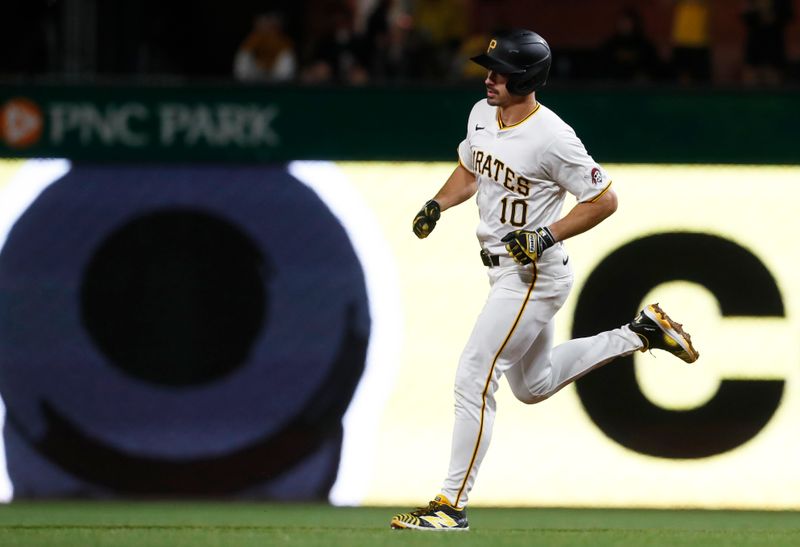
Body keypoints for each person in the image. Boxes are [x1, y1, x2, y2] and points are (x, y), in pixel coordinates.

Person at [390, 29, 699, 532]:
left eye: (501, 72)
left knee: (475, 373)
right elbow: (470, 171)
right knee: (533, 387)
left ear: (528, 77)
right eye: (488, 68)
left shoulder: (552, 136)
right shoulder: (480, 114)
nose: (489, 77)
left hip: (532, 274)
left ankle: (451, 505)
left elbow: (604, 199)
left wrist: (544, 235)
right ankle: (641, 332)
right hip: (502, 270)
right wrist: (437, 203)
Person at [233, 12, 296, 83]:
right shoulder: (253, 40)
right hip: (255, 76)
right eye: (263, 27)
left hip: (275, 77)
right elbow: (242, 66)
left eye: (271, 27)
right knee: (244, 55)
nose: (267, 30)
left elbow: (286, 67)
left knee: (287, 57)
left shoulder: (283, 42)